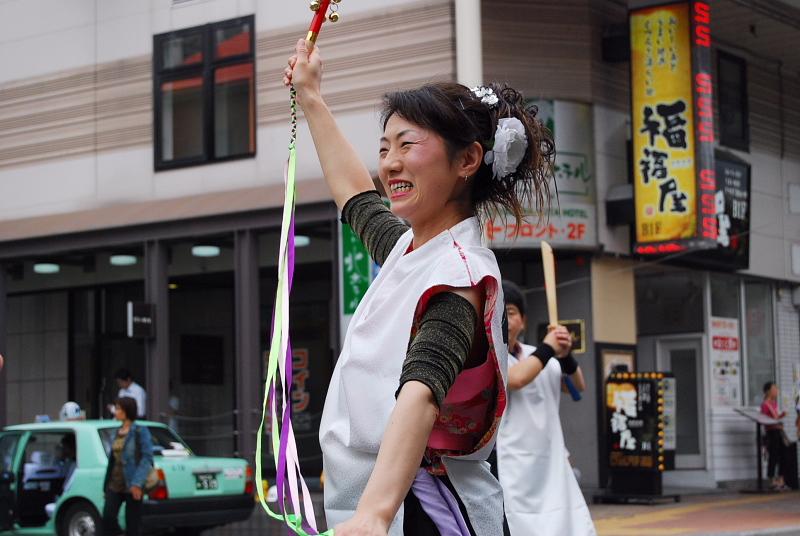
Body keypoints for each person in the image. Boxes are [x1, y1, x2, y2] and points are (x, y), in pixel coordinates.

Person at [284, 37, 554, 535]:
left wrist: (375, 513)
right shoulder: (412, 251)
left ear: (467, 159)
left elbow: (421, 392)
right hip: (387, 506)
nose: (389, 164)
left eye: (408, 145)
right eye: (385, 148)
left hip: (424, 510)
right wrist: (311, 97)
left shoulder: (461, 273)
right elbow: (356, 196)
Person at [496, 281, 595, 535]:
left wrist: (565, 354)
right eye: (499, 313)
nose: (506, 319)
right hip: (512, 462)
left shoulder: (537, 355)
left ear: (524, 321)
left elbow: (576, 386)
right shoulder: (491, 356)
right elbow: (516, 379)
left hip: (550, 460)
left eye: (511, 312)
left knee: (562, 523)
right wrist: (549, 347)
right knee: (520, 524)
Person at [102, 396, 153, 535]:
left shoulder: (140, 431)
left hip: (132, 482)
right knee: (108, 517)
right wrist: (105, 486)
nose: (115, 411)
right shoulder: (116, 432)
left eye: (118, 408)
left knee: (133, 525)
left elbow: (147, 458)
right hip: (115, 483)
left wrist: (137, 483)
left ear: (126, 411)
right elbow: (112, 461)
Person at [760, 381, 787, 490]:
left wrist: (782, 415)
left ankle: (781, 480)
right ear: (768, 391)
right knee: (773, 456)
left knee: (782, 455)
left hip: (778, 431)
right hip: (771, 433)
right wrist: (780, 416)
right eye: (774, 389)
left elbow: (777, 417)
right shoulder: (765, 404)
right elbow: (773, 418)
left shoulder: (774, 403)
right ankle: (772, 480)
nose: (776, 391)